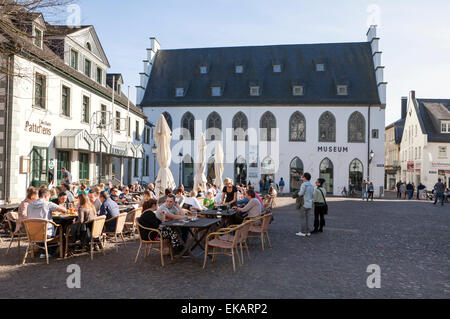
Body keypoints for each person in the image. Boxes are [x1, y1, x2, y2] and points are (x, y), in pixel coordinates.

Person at [27, 187, 67, 258]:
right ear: (46, 196)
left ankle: (43, 252)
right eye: (48, 197)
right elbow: (64, 210)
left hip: (32, 233)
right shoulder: (48, 204)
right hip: (45, 232)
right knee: (61, 230)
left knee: (48, 229)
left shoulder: (29, 205)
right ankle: (51, 252)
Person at [296, 173, 314, 237]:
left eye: (302, 177)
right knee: (308, 218)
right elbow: (313, 195)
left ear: (305, 178)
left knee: (302, 218)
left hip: (304, 203)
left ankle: (303, 232)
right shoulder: (311, 185)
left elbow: (301, 193)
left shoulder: (304, 184)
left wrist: (297, 193)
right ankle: (308, 232)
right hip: (309, 204)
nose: (302, 178)